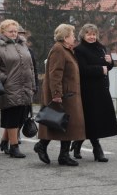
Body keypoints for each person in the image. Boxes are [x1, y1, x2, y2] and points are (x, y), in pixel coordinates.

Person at [33, 24, 85, 166]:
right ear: (65, 36)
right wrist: (56, 94)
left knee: (67, 124)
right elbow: (55, 73)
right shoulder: (58, 50)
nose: (74, 37)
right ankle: (43, 146)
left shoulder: (67, 49)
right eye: (73, 35)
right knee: (58, 121)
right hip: (64, 94)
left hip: (70, 94)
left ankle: (62, 154)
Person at [71, 24, 117, 162]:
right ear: (83, 35)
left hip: (102, 89)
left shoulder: (101, 48)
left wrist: (110, 63)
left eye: (94, 34)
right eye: (88, 34)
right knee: (91, 119)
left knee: (95, 120)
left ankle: (77, 143)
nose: (92, 37)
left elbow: (107, 67)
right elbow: (82, 69)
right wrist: (101, 69)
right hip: (88, 90)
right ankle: (97, 149)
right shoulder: (79, 50)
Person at [0, 19, 36, 158]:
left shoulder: (23, 45)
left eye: (15, 31)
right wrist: (5, 78)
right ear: (3, 32)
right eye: (11, 31)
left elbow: (31, 66)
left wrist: (33, 84)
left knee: (20, 117)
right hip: (8, 87)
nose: (14, 34)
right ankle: (14, 147)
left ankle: (5, 141)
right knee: (12, 117)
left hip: (25, 86)